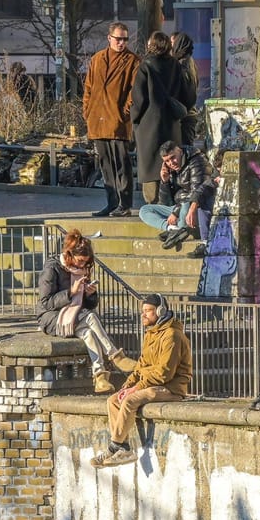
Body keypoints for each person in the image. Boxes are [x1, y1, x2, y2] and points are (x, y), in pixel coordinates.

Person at [93, 294, 192, 467]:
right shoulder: (151, 335)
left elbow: (164, 374)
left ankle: (115, 446)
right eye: (142, 311)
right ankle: (122, 447)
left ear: (160, 311)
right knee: (114, 400)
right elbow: (141, 366)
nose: (143, 315)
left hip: (171, 388)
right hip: (153, 384)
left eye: (148, 311)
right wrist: (128, 385)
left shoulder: (172, 336)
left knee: (131, 399)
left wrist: (136, 388)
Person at [38, 229, 133, 393]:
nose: (82, 265)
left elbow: (89, 305)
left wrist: (90, 294)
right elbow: (46, 302)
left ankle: (100, 377)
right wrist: (71, 292)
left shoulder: (82, 270)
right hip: (50, 317)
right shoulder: (52, 268)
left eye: (85, 262)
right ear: (70, 255)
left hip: (75, 315)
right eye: (80, 261)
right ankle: (116, 356)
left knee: (88, 333)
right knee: (89, 317)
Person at [84, 22, 140, 217]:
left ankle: (124, 205)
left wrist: (124, 112)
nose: (122, 43)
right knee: (106, 165)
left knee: (121, 164)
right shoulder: (97, 59)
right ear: (109, 38)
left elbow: (134, 91)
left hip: (118, 121)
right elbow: (89, 88)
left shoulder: (133, 61)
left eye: (125, 39)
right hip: (98, 120)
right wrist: (88, 111)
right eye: (119, 39)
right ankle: (111, 202)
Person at [131, 32, 188, 203]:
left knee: (150, 165)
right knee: (171, 161)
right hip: (171, 123)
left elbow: (138, 99)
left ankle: (153, 203)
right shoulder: (176, 66)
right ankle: (171, 201)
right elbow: (185, 95)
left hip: (149, 125)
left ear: (152, 45)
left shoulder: (145, 66)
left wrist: (135, 119)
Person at [140, 144, 213, 247]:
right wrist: (164, 181)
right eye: (167, 161)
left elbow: (197, 193)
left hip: (194, 207)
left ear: (179, 151)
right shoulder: (171, 168)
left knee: (186, 204)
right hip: (178, 208)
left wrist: (175, 213)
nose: (171, 163)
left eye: (173, 157)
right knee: (144, 210)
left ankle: (179, 230)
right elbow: (165, 203)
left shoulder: (197, 161)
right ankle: (172, 229)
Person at [171, 32, 201, 147]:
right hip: (190, 115)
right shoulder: (191, 62)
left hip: (183, 116)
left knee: (182, 151)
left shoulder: (181, 64)